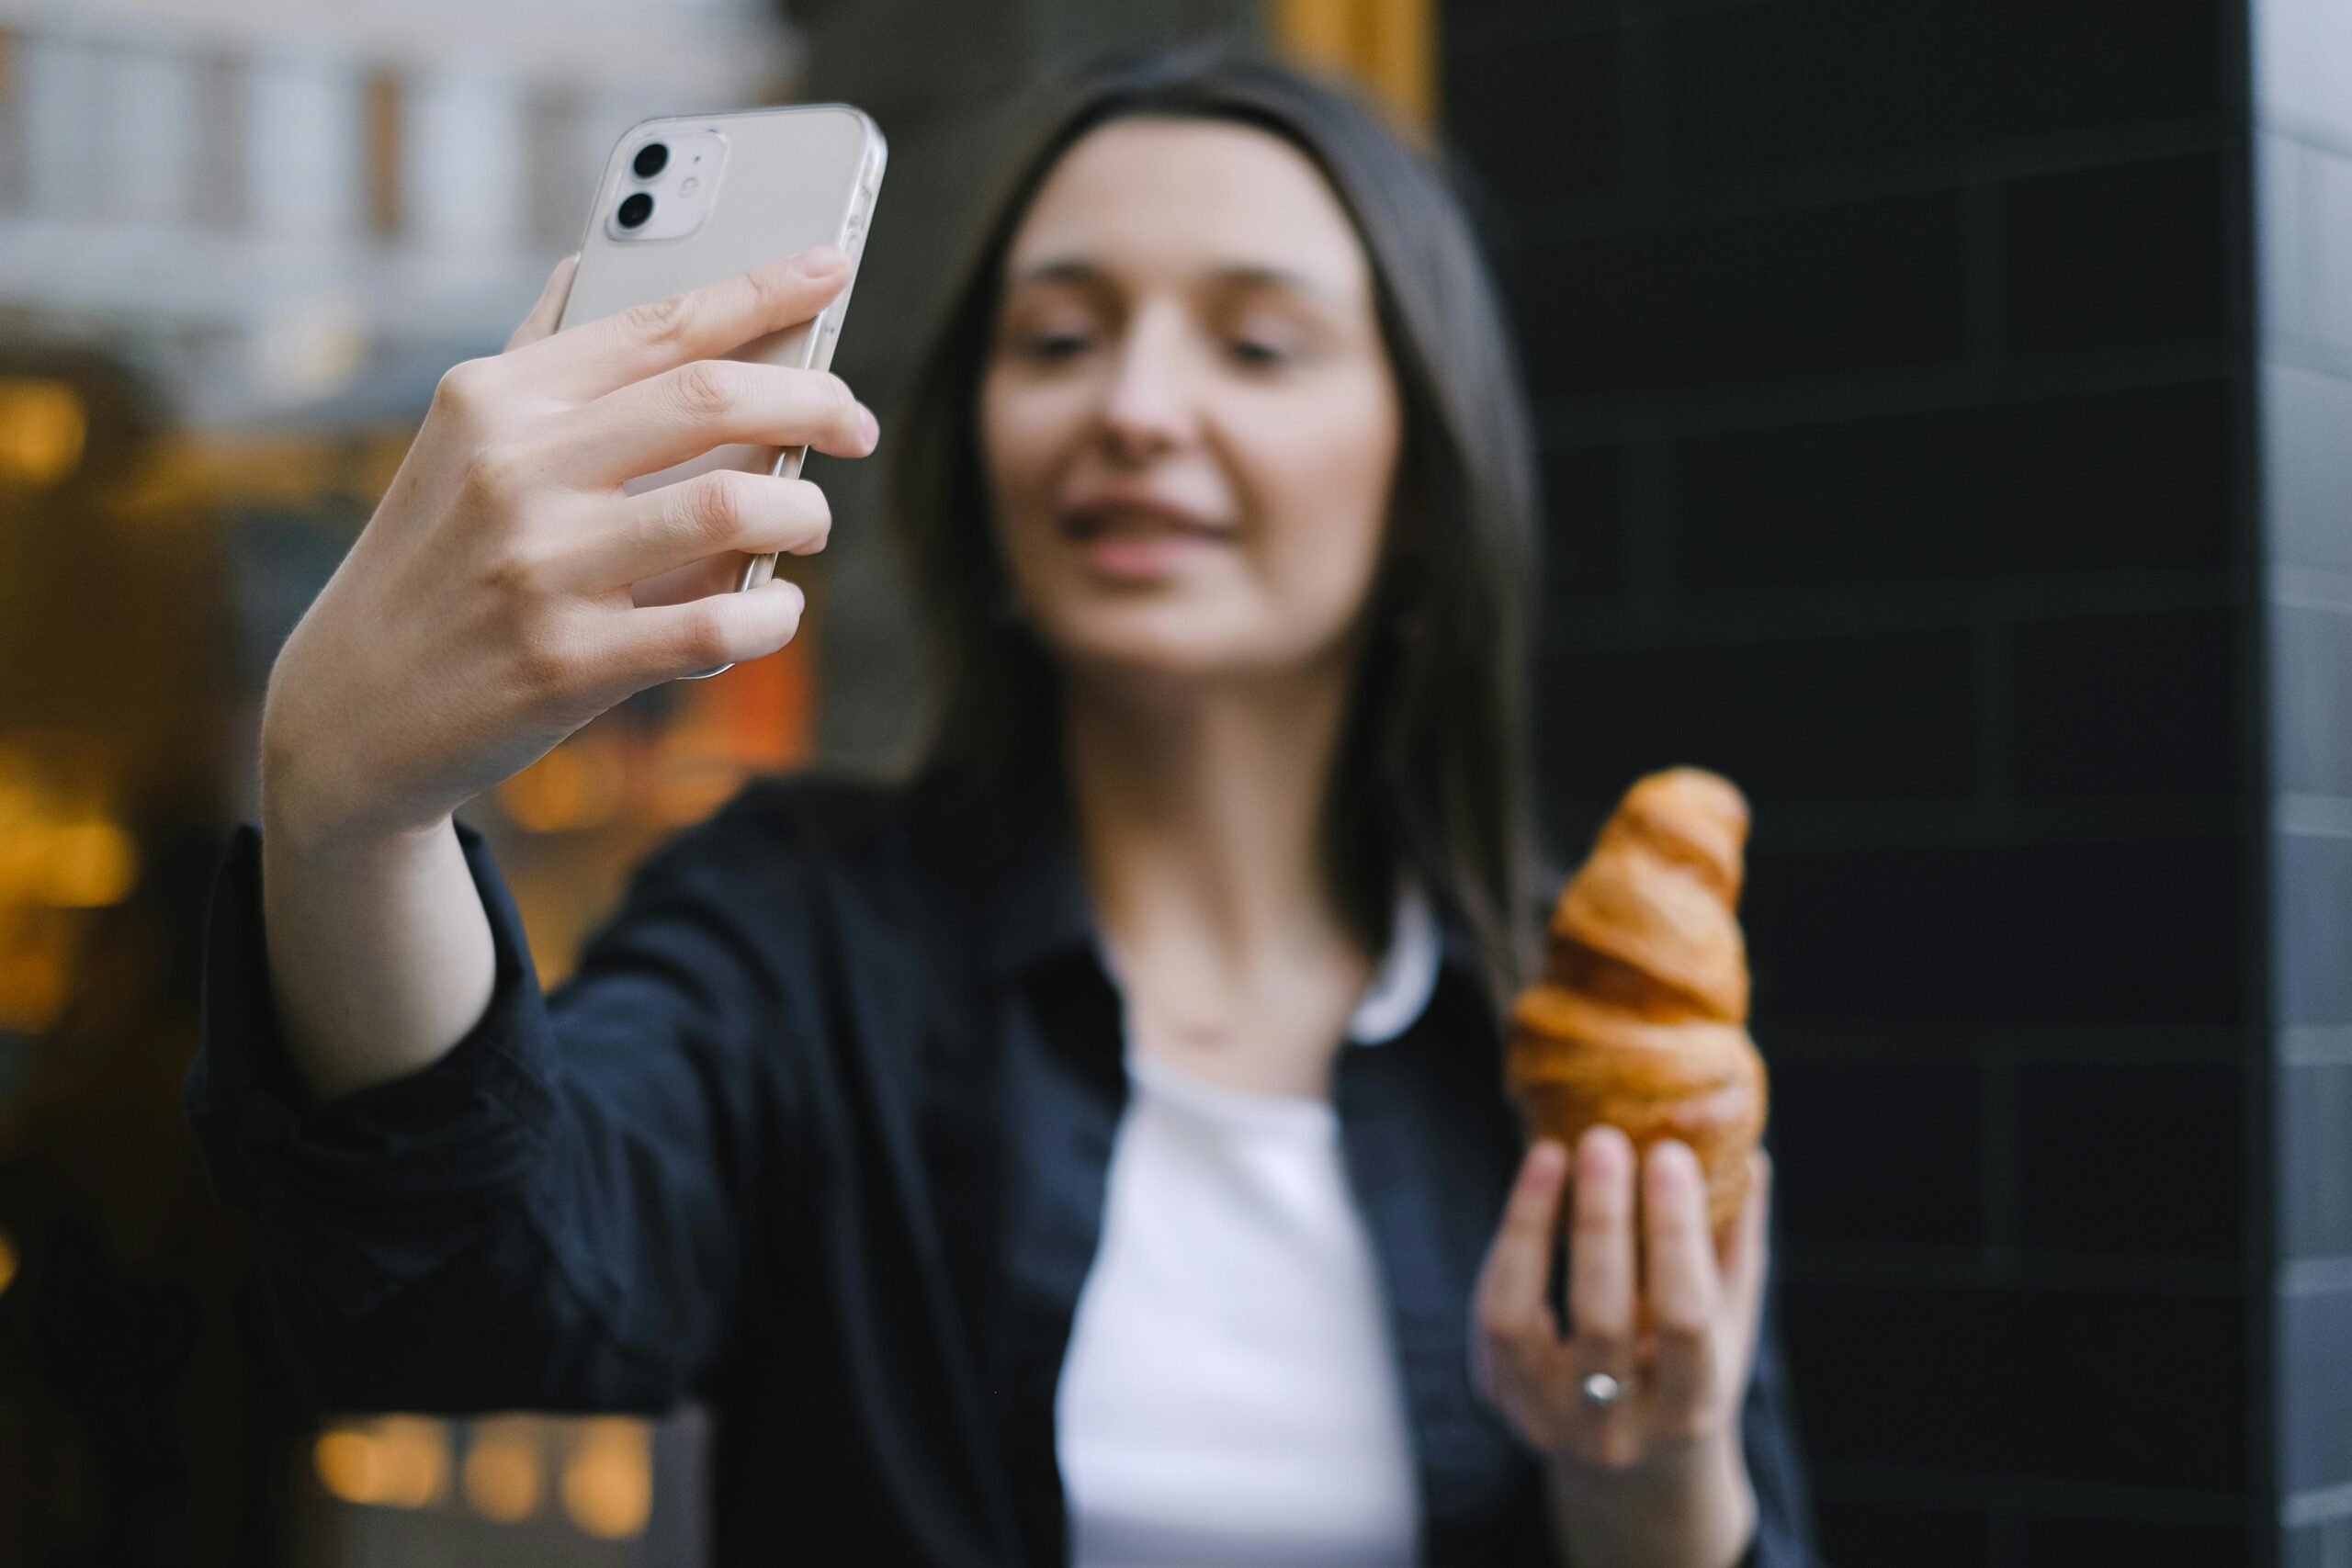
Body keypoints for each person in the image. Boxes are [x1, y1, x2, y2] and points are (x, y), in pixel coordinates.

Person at [187, 48, 1821, 1568]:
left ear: (1422, 464)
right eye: (1058, 338)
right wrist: (352, 820)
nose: (1135, 408)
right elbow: (465, 1290)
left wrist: (1649, 1490)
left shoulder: (1570, 1038)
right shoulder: (798, 932)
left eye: (1256, 344)